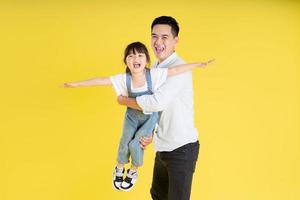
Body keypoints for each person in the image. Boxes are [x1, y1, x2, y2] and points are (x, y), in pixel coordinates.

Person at [63, 41, 213, 192]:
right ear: (126, 61)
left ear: (146, 60)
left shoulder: (153, 75)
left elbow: (175, 70)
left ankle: (133, 170)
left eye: (140, 55)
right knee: (125, 141)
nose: (136, 59)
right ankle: (120, 168)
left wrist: (198, 64)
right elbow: (101, 80)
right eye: (131, 56)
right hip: (132, 117)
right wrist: (76, 85)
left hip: (149, 119)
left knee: (136, 145)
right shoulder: (123, 79)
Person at [117, 16, 206, 199]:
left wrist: (124, 100)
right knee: (157, 195)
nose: (158, 42)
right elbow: (157, 112)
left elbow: (156, 102)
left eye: (164, 37)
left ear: (175, 40)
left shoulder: (179, 68)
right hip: (163, 147)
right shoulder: (156, 67)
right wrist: (149, 133)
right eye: (154, 36)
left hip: (182, 149)